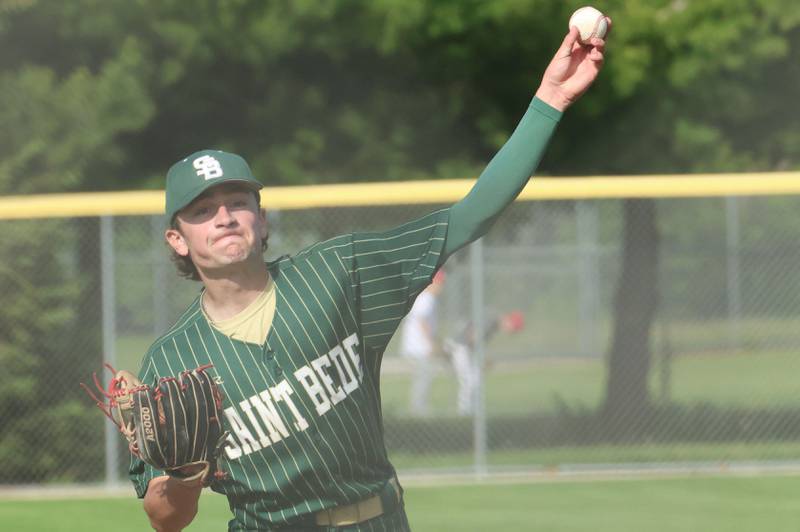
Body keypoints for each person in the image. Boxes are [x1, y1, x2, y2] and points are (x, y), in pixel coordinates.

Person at [131, 23, 610, 532]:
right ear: (177, 240)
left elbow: (470, 217)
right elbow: (165, 519)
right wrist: (185, 471)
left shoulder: (339, 273)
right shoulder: (171, 362)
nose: (224, 216)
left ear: (262, 217)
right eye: (203, 210)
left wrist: (549, 99)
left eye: (237, 202)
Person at [443, 310, 525, 416]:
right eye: (513, 328)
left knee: (475, 379)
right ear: (509, 320)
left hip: (464, 348)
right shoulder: (492, 320)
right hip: (459, 347)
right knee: (469, 380)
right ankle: (464, 413)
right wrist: (481, 358)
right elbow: (472, 335)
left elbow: (474, 339)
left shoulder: (494, 323)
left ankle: (473, 413)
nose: (511, 331)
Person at [399, 270, 445, 417]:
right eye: (440, 283)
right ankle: (418, 409)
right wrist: (430, 343)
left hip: (417, 346)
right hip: (419, 347)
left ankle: (418, 407)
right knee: (423, 377)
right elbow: (422, 320)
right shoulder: (427, 298)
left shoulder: (423, 297)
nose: (441, 287)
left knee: (422, 377)